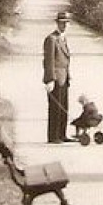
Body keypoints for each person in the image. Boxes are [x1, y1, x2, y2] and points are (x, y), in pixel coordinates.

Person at [43, 10, 73, 143]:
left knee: (64, 107)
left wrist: (69, 75)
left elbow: (65, 60)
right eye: (62, 23)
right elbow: (49, 61)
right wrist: (50, 79)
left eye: (66, 23)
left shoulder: (63, 38)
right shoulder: (51, 39)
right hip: (55, 78)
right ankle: (53, 136)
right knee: (55, 107)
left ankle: (62, 134)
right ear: (57, 23)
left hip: (64, 77)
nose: (64, 26)